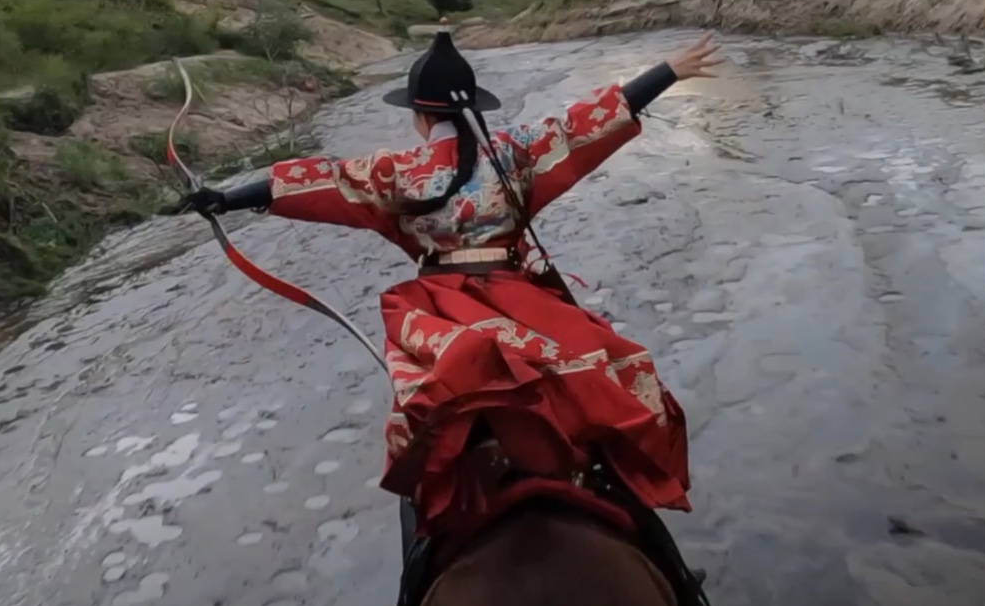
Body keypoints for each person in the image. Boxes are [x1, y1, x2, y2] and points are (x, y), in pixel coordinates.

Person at [170, 26, 724, 543]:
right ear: (473, 109)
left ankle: (418, 573)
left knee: (422, 430)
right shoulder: (513, 152)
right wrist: (666, 72)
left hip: (440, 314)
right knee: (619, 379)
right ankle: (649, 539)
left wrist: (224, 197)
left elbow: (318, 181)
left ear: (418, 115)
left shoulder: (393, 172)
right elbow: (587, 126)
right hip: (523, 299)